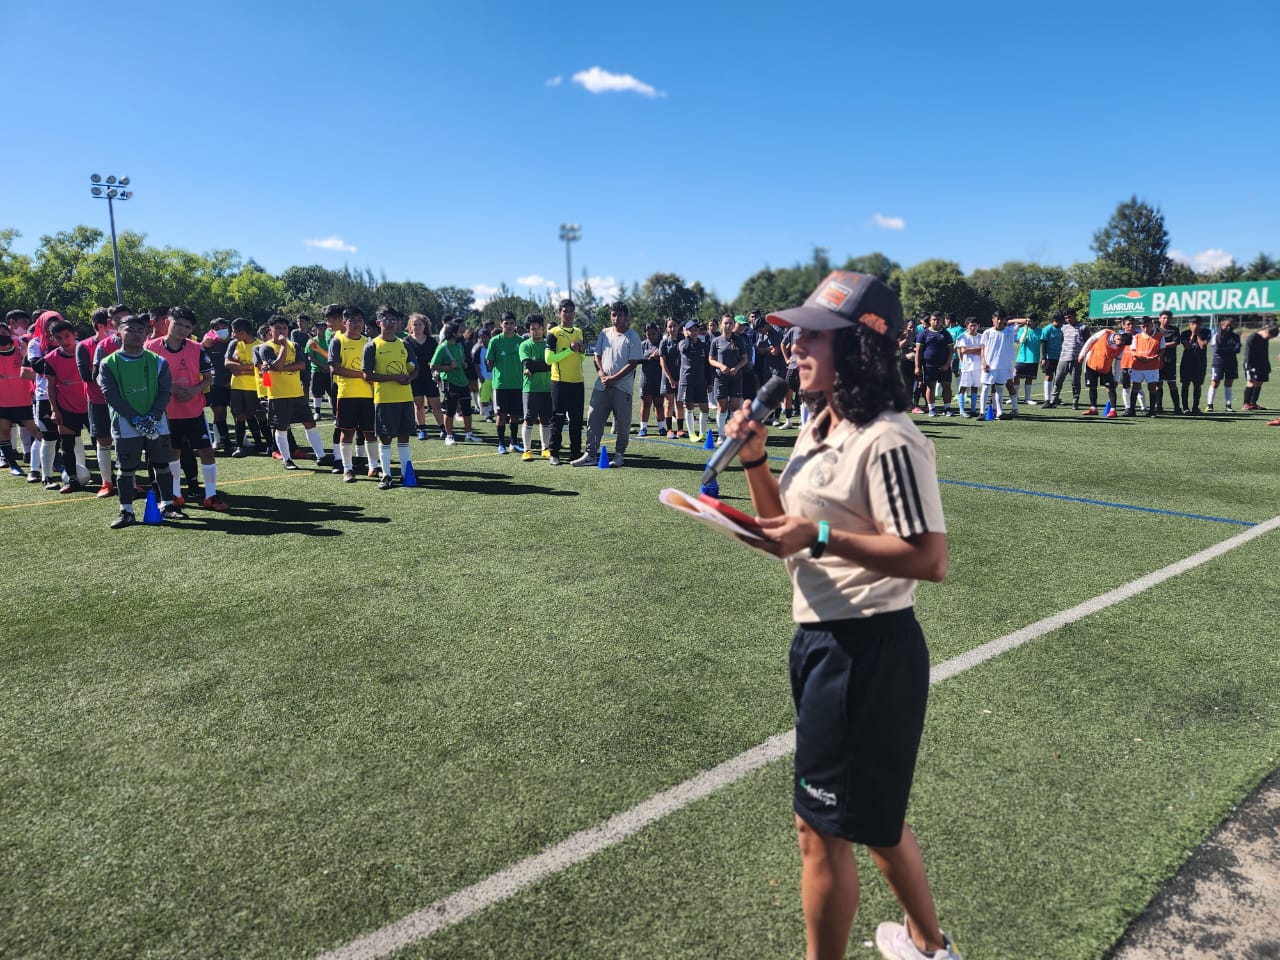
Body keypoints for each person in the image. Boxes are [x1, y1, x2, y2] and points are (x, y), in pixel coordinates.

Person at [724, 271, 960, 960]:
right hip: (825, 642)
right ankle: (930, 947)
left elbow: (929, 557)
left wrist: (821, 537)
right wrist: (755, 462)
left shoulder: (889, 438)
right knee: (875, 822)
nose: (793, 345)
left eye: (813, 335)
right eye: (796, 333)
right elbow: (784, 533)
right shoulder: (819, 423)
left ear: (858, 346)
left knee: (820, 830)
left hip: (866, 650)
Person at [96, 314, 184, 527]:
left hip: (156, 422)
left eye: (140, 330)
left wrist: (153, 416)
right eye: (130, 330)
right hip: (125, 424)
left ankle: (167, 505)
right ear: (119, 334)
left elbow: (164, 391)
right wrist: (135, 418)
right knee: (126, 469)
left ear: (146, 334)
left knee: (162, 464)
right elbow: (110, 395)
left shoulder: (158, 361)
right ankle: (126, 512)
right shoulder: (108, 363)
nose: (136, 334)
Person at [145, 306, 228, 510]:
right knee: (173, 452)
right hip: (166, 412)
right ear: (167, 323)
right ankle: (175, 495)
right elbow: (146, 378)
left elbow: (208, 377)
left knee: (206, 451)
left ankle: (211, 495)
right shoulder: (150, 348)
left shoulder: (197, 348)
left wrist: (193, 391)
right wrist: (171, 388)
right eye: (179, 324)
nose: (183, 330)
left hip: (194, 410)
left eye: (187, 327)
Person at [574, 301, 644, 467]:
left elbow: (633, 363)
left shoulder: (633, 336)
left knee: (623, 423)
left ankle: (619, 454)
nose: (616, 318)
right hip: (602, 385)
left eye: (620, 315)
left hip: (622, 388)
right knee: (593, 419)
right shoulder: (604, 333)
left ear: (625, 317)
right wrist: (601, 374)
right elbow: (596, 356)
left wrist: (614, 378)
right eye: (613, 315)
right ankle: (590, 454)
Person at [259, 314, 329, 470]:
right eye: (277, 328)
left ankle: (321, 456)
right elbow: (276, 366)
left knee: (310, 423)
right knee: (282, 427)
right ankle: (287, 460)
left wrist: (280, 367)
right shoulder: (266, 347)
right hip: (278, 394)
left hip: (296, 393)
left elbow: (301, 365)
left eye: (284, 328)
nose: (281, 331)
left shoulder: (295, 345)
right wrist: (283, 347)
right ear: (270, 330)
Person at [362, 305, 417, 489]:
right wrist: (394, 378)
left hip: (405, 398)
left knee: (404, 437)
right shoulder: (372, 346)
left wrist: (410, 377)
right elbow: (367, 375)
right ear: (379, 323)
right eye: (386, 320)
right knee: (385, 439)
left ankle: (406, 474)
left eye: (394, 320)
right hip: (384, 400)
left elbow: (415, 368)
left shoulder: (405, 344)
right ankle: (386, 476)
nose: (391, 323)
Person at [545, 299, 586, 465]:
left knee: (576, 421)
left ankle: (575, 453)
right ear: (559, 313)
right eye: (565, 311)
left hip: (577, 382)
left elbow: (581, 358)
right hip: (560, 382)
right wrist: (570, 350)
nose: (568, 314)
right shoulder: (553, 333)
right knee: (558, 419)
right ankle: (554, 453)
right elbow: (549, 359)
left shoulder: (579, 332)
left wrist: (581, 351)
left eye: (571, 311)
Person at [0, 317, 39, 478]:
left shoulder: (20, 350)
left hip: (24, 401)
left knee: (37, 432)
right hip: (2, 403)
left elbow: (31, 370)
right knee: (4, 431)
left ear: (9, 333)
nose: (2, 336)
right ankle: (13, 465)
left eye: (4, 333)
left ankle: (53, 460)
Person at [431, 321, 480, 447]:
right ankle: (449, 436)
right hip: (450, 382)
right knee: (450, 410)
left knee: (467, 409)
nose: (462, 333)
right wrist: (448, 367)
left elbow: (462, 361)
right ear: (453, 333)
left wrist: (464, 365)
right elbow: (433, 366)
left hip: (462, 381)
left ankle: (469, 434)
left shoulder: (459, 346)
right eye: (459, 331)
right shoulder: (443, 347)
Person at [224, 318, 268, 457]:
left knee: (258, 415)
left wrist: (240, 369)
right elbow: (227, 363)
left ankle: (267, 444)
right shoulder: (233, 343)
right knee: (240, 416)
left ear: (242, 332)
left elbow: (261, 369)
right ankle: (240, 447)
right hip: (237, 386)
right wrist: (249, 368)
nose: (232, 334)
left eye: (234, 331)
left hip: (255, 387)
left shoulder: (260, 346)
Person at [485, 312, 526, 454]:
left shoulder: (521, 341)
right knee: (501, 415)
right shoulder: (495, 341)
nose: (509, 326)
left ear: (515, 324)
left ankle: (514, 443)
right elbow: (489, 362)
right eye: (506, 323)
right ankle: (501, 444)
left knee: (515, 415)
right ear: (501, 324)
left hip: (517, 384)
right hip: (501, 384)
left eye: (511, 323)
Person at [519, 313, 553, 460]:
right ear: (529, 330)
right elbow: (528, 364)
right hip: (530, 389)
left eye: (538, 328)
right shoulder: (525, 345)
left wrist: (536, 366)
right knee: (529, 419)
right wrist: (544, 365)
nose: (536, 331)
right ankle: (527, 450)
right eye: (533, 329)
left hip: (548, 388)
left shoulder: (548, 344)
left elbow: (552, 363)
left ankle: (546, 448)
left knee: (546, 419)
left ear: (543, 328)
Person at [709, 313, 749, 438]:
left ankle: (731, 435)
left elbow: (745, 359)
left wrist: (736, 368)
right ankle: (721, 435)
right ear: (721, 325)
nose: (728, 325)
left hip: (736, 378)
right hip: (720, 378)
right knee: (722, 407)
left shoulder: (739, 340)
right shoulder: (716, 341)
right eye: (725, 323)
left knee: (734, 408)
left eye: (730, 323)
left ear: (733, 325)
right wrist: (721, 366)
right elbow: (711, 359)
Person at [406, 312, 444, 440]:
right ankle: (422, 429)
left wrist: (437, 374)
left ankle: (443, 429)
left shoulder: (431, 341)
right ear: (410, 326)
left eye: (420, 324)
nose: (417, 327)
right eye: (414, 324)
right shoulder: (406, 342)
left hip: (430, 377)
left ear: (425, 326)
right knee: (419, 404)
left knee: (436, 404)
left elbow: (437, 359)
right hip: (415, 377)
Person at [1079, 323, 1127, 416]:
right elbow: (1090, 340)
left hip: (1106, 368)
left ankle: (1113, 410)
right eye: (1121, 343)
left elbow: (1118, 362)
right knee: (1092, 386)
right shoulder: (1105, 332)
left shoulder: (1121, 347)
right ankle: (1093, 409)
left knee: (1110, 387)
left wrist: (1116, 378)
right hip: (1091, 364)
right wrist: (1082, 354)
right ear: (1118, 337)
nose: (1120, 346)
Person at [913, 313, 954, 417]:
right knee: (930, 387)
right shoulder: (923, 334)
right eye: (934, 319)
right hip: (929, 365)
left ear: (941, 321)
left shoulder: (946, 334)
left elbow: (951, 351)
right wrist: (917, 367)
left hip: (944, 365)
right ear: (930, 321)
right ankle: (931, 409)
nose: (936, 322)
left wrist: (947, 364)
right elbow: (918, 352)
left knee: (947, 386)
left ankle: (947, 409)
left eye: (938, 320)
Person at [676, 319, 710, 441]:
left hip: (701, 381)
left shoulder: (703, 345)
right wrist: (686, 337)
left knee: (705, 408)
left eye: (695, 329)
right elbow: (684, 349)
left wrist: (709, 382)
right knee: (689, 407)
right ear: (685, 331)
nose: (694, 332)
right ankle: (692, 434)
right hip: (687, 381)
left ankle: (702, 433)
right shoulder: (682, 343)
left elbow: (707, 365)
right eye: (690, 330)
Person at [979, 310, 1017, 419]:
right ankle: (982, 412)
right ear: (993, 320)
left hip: (1003, 365)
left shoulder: (1009, 332)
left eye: (1002, 319)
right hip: (989, 365)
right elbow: (982, 349)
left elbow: (1023, 322)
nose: (999, 321)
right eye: (997, 318)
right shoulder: (987, 332)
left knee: (1000, 388)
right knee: (985, 387)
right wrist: (984, 362)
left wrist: (1010, 365)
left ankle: (1000, 413)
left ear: (1005, 320)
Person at [1125, 317, 1163, 417]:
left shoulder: (1159, 336)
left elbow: (1162, 349)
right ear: (1140, 327)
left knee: (1152, 387)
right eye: (1143, 326)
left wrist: (1154, 357)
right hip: (1138, 366)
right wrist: (1141, 358)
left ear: (1152, 325)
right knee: (1135, 387)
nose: (1145, 328)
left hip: (1152, 367)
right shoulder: (1136, 337)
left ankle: (1152, 411)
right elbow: (1133, 351)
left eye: (1147, 326)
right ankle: (1132, 410)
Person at [1047, 308, 1085, 409]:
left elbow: (1087, 343)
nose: (1068, 319)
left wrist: (1082, 355)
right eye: (1066, 318)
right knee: (1058, 380)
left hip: (1076, 359)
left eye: (1070, 317)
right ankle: (1054, 400)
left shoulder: (1083, 327)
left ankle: (1075, 401)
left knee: (1075, 382)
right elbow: (1062, 340)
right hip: (1063, 358)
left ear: (1075, 315)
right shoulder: (1063, 327)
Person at [1205, 318, 1241, 413]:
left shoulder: (1235, 336)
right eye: (1226, 325)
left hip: (1232, 363)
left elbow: (1237, 349)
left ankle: (1228, 406)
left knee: (1229, 383)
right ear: (1221, 326)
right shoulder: (1216, 336)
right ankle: (1209, 405)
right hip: (1218, 363)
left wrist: (1225, 349)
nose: (1229, 327)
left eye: (1231, 325)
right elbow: (1217, 350)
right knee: (1215, 383)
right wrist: (1231, 349)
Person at [636, 322, 664, 437]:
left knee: (659, 403)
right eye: (648, 334)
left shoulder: (662, 343)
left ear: (657, 332)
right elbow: (636, 360)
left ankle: (662, 428)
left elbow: (668, 358)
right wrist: (649, 358)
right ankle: (643, 428)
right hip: (646, 378)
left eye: (653, 334)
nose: (651, 336)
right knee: (646, 403)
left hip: (660, 378)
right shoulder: (643, 345)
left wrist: (659, 357)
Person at [1179, 317, 1210, 414]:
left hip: (1200, 363)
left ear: (1201, 324)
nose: (1195, 326)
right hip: (1186, 363)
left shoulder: (1206, 332)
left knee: (1197, 385)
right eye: (1192, 324)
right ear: (1189, 324)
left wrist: (1198, 334)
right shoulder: (1185, 333)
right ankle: (1185, 408)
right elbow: (1187, 346)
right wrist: (1193, 334)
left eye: (1197, 324)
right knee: (1185, 384)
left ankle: (1195, 407)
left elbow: (1202, 346)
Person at [1242, 324, 1277, 410]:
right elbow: (1248, 353)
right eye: (1269, 336)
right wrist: (1249, 367)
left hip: (1262, 364)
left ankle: (1253, 403)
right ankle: (1246, 404)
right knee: (1251, 382)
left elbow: (1265, 352)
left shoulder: (1265, 339)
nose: (1269, 338)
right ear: (1266, 330)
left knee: (1260, 382)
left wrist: (1267, 365)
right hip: (1251, 364)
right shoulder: (1253, 337)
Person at [1155, 310, 1182, 414]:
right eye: (1164, 318)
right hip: (1157, 360)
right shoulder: (1155, 330)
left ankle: (1177, 408)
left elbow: (1175, 342)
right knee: (1158, 384)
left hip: (1170, 361)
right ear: (1159, 318)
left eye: (1168, 318)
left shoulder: (1174, 329)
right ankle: (1159, 407)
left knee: (1172, 384)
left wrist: (1161, 344)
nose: (1166, 320)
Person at [954, 319, 983, 416]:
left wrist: (971, 350)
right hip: (966, 366)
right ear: (967, 326)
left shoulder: (981, 337)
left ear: (978, 326)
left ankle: (973, 409)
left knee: (975, 387)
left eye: (975, 325)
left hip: (978, 366)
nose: (973, 328)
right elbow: (964, 351)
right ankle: (962, 410)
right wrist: (978, 349)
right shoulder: (963, 337)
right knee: (963, 387)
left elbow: (983, 351)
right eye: (971, 326)